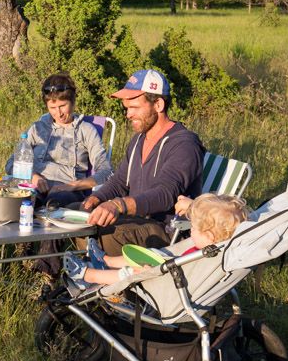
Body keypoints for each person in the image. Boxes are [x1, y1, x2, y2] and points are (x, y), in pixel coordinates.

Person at [81, 69, 205, 256]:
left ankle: (116, 280)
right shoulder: (139, 139)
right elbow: (120, 182)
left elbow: (165, 194)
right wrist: (96, 198)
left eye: (135, 107)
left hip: (167, 231)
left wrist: (118, 205)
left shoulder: (184, 144)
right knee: (80, 216)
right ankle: (92, 274)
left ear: (158, 104)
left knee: (108, 232)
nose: (128, 114)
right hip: (136, 221)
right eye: (127, 108)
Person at [66, 193, 248, 287]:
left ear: (209, 236)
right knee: (152, 254)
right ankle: (105, 260)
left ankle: (89, 276)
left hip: (169, 285)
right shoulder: (211, 251)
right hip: (173, 274)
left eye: (194, 228)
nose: (190, 230)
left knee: (134, 272)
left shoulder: (203, 256)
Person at [4, 73, 112, 207]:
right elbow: (10, 164)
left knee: (53, 203)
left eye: (62, 106)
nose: (58, 113)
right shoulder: (38, 128)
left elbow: (106, 171)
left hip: (68, 191)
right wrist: (33, 176)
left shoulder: (86, 130)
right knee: (17, 201)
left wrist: (72, 186)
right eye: (52, 108)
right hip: (34, 186)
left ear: (73, 103)